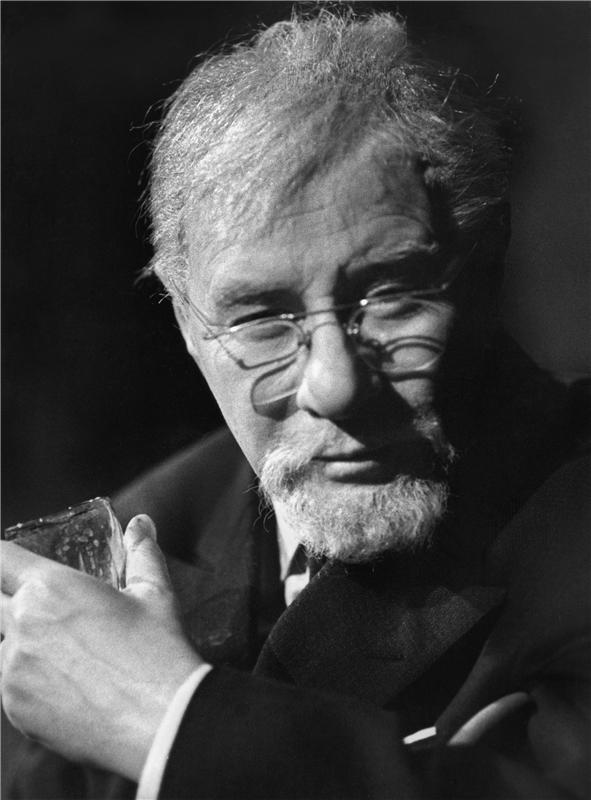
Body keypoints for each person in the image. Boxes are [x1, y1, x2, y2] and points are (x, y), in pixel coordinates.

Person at [2, 9, 589, 800]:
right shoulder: (131, 556)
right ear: (184, 323)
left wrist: (169, 721)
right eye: (260, 320)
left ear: (485, 267)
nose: (334, 384)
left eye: (391, 297)